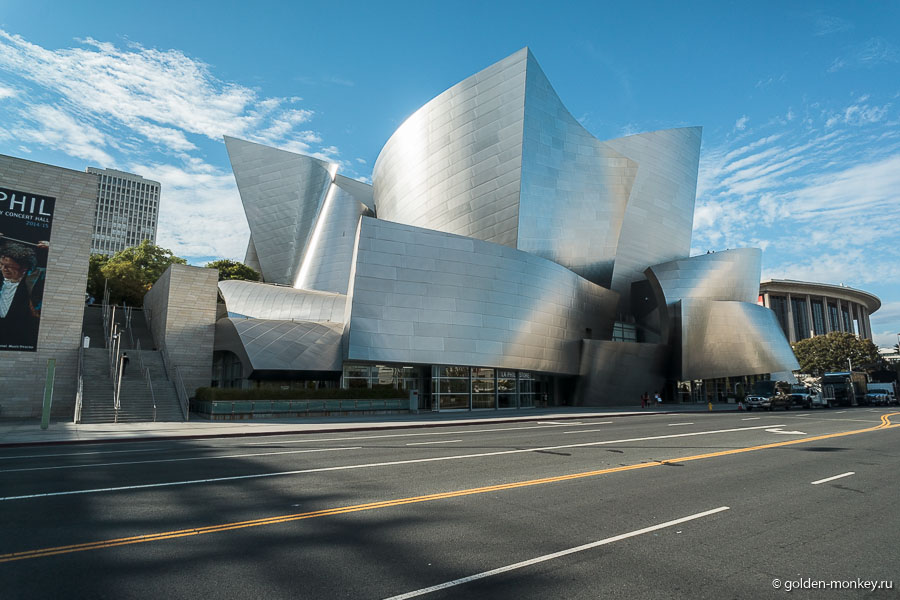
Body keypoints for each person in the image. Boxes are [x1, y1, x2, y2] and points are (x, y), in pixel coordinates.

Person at [0, 242, 43, 349]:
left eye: (9, 266)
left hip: (20, 339)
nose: (3, 269)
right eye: (1, 264)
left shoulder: (34, 283)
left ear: (24, 268)